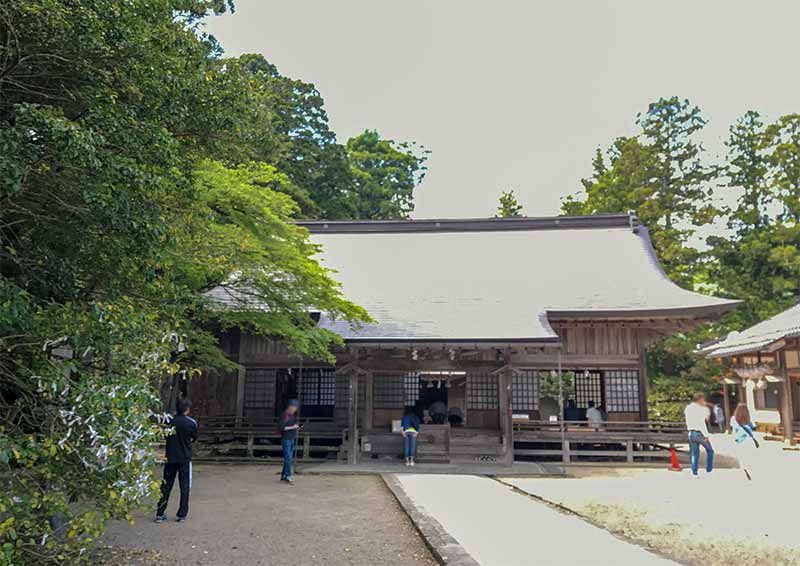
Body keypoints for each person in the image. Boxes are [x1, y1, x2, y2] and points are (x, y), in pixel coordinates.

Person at [156, 398, 198, 523]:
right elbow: (194, 438)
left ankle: (160, 513)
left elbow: (165, 435)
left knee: (166, 485)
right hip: (184, 458)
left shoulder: (170, 422)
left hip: (170, 457)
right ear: (187, 409)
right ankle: (182, 514)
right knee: (184, 487)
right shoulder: (191, 423)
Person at [684, 392, 714, 477]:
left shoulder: (688, 408)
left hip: (691, 432)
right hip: (699, 433)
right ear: (700, 399)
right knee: (710, 451)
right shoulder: (699, 409)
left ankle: (694, 472)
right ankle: (709, 469)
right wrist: (706, 435)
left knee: (694, 453)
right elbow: (702, 422)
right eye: (703, 399)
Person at [730, 403, 759, 480]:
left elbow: (734, 431)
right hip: (748, 440)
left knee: (743, 459)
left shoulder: (733, 419)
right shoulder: (748, 419)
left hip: (739, 442)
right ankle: (751, 474)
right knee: (750, 459)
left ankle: (746, 471)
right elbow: (753, 427)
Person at [279, 399, 301, 484]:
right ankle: (288, 475)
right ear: (290, 407)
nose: (295, 410)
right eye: (294, 408)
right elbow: (282, 428)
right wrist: (293, 427)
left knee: (288, 458)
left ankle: (284, 475)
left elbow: (294, 425)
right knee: (288, 458)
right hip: (286, 439)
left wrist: (297, 427)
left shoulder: (292, 416)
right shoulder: (284, 415)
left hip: (291, 438)